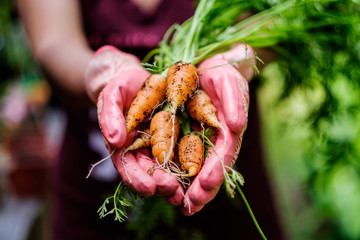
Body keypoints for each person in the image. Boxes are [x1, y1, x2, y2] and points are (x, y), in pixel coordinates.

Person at [16, 0, 286, 239]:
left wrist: (239, 58)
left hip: (231, 204)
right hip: (92, 207)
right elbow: (54, 44)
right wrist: (99, 75)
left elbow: (273, 24)